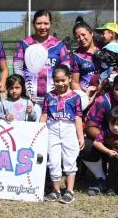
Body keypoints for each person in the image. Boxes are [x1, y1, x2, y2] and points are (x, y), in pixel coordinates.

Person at [13, 10, 70, 120]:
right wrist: (25, 91)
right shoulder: (24, 44)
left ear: (51, 24)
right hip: (29, 99)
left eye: (46, 23)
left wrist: (59, 90)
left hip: (53, 97)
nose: (42, 27)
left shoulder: (59, 45)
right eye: (39, 23)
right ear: (34, 23)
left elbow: (66, 69)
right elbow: (18, 68)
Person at [41, 65, 84, 204]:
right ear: (53, 81)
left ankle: (69, 190)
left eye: (63, 80)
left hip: (69, 129)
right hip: (52, 129)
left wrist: (80, 136)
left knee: (70, 160)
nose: (60, 84)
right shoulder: (49, 96)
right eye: (57, 81)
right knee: (53, 161)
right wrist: (39, 131)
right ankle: (56, 190)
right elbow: (44, 115)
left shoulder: (75, 97)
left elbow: (78, 117)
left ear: (70, 78)